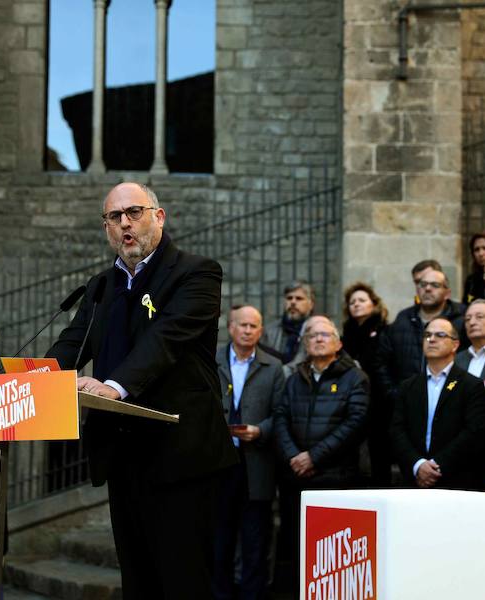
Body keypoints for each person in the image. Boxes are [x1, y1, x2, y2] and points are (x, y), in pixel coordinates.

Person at [46, 182, 238, 599]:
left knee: (184, 584)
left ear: (159, 216)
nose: (125, 223)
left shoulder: (196, 272)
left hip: (181, 456)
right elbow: (71, 344)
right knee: (139, 584)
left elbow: (165, 340)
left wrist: (114, 386)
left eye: (134, 212)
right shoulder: (101, 286)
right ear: (106, 228)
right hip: (123, 457)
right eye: (114, 217)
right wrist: (30, 381)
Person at [273, 316, 369, 594]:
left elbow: (355, 424)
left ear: (338, 343)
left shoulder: (355, 378)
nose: (318, 339)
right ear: (304, 343)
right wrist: (294, 456)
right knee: (297, 555)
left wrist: (313, 457)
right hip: (296, 483)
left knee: (331, 562)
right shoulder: (294, 379)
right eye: (312, 335)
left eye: (325, 335)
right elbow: (280, 418)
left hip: (335, 482)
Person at [214, 305, 285, 600]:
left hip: (256, 465)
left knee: (255, 540)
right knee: (220, 540)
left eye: (253, 326)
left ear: (261, 331)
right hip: (219, 465)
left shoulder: (274, 366)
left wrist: (261, 431)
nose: (247, 330)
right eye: (242, 325)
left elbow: (282, 413)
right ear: (230, 327)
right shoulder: (211, 360)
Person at [390, 317, 485, 489]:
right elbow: (397, 429)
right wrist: (418, 464)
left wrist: (437, 465)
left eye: (440, 335)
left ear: (455, 345)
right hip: (414, 480)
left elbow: (473, 432)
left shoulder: (471, 385)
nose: (432, 339)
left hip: (456, 481)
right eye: (427, 335)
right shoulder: (408, 386)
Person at [375, 262, 466, 418]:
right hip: (407, 405)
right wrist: (394, 393)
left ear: (447, 293)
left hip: (449, 403)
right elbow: (382, 361)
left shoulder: (461, 320)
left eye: (435, 285)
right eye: (423, 284)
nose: (428, 289)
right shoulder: (402, 319)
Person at [340, 282, 391, 486]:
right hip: (352, 397)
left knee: (379, 452)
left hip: (378, 399)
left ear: (374, 304)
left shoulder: (384, 330)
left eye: (362, 300)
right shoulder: (346, 333)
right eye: (352, 302)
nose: (356, 304)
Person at [261, 281, 315, 364]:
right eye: (289, 298)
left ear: (311, 304)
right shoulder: (269, 331)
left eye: (299, 298)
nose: (293, 302)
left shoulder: (315, 331)